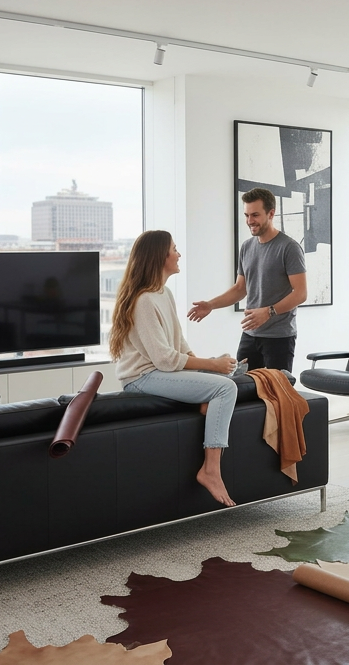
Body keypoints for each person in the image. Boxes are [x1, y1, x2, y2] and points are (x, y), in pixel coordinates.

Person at [111, 230, 240, 506]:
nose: (179, 254)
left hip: (160, 373)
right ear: (161, 256)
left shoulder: (163, 293)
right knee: (226, 388)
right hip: (142, 378)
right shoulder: (144, 300)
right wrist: (211, 366)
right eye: (174, 249)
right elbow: (164, 359)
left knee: (224, 376)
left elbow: (179, 342)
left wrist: (210, 368)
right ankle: (210, 470)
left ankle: (207, 401)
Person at [187, 187, 308, 372]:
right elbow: (239, 288)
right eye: (247, 215)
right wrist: (210, 305)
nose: (250, 221)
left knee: (277, 395)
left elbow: (300, 293)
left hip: (279, 336)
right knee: (242, 388)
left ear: (271, 213)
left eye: (255, 215)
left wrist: (269, 312)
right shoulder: (246, 247)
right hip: (250, 334)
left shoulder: (289, 248)